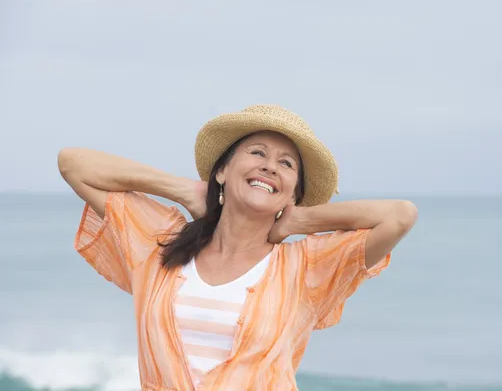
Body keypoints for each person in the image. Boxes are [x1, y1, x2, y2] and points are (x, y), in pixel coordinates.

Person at [58, 104, 418, 391]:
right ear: (222, 171)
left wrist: (301, 222)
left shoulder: (306, 267)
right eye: (257, 152)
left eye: (286, 163)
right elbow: (74, 164)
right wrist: (182, 189)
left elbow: (400, 215)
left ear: (294, 193)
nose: (269, 167)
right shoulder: (160, 242)